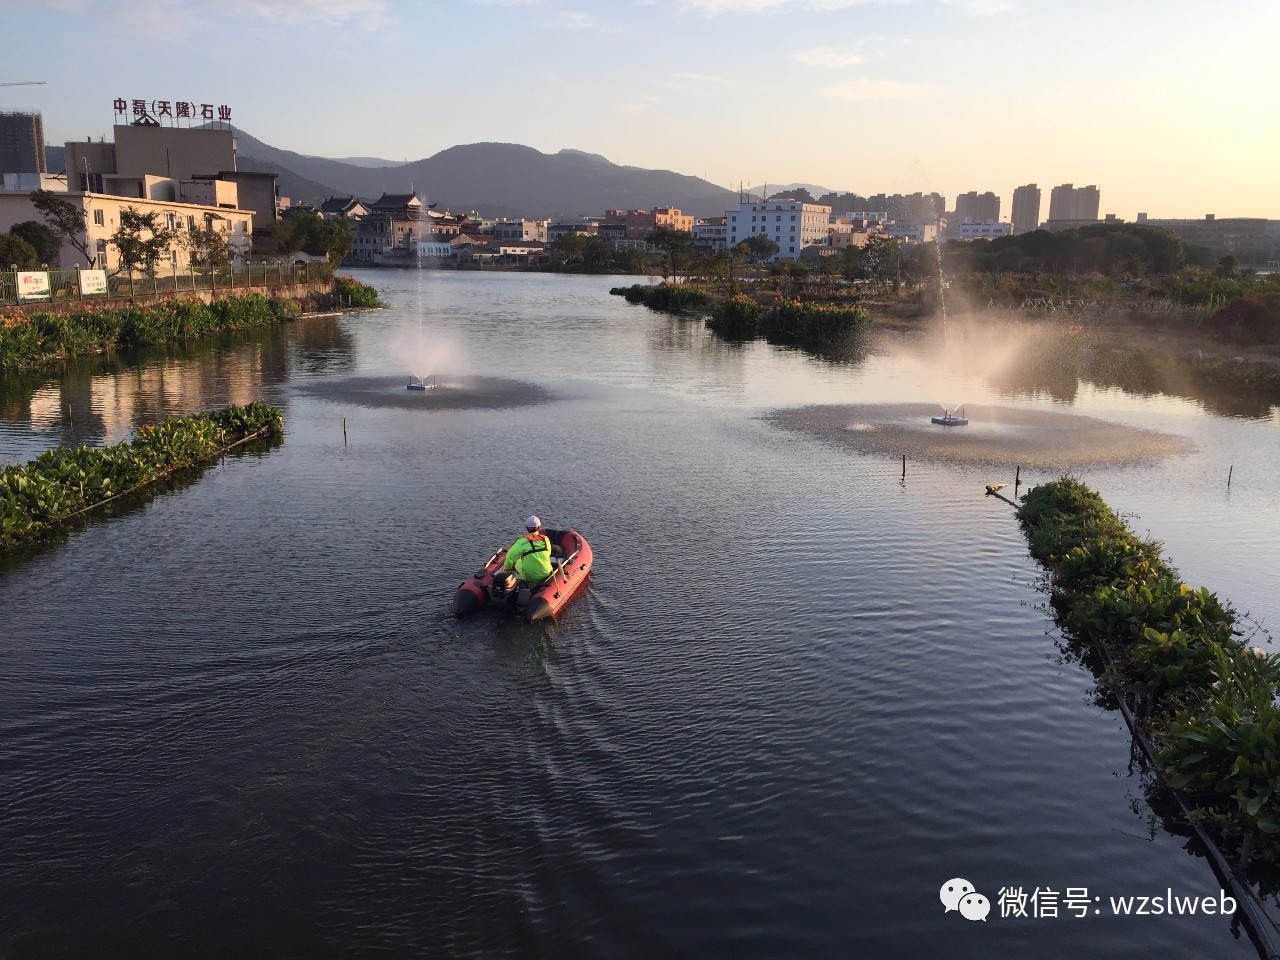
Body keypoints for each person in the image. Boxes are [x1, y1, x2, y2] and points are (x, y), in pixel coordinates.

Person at [503, 515, 558, 588]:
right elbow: (548, 553)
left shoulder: (522, 542)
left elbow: (510, 556)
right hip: (546, 572)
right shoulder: (545, 539)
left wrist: (507, 568)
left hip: (530, 576)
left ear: (527, 528)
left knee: (517, 561)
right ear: (539, 527)